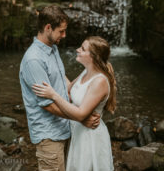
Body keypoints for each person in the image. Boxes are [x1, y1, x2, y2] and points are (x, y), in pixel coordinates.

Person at [19, 6, 100, 171]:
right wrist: (81, 118)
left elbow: (62, 81)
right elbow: (48, 104)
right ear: (48, 27)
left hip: (65, 127)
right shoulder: (33, 60)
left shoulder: (52, 48)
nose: (64, 35)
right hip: (49, 136)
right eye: (61, 31)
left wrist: (91, 78)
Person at [32, 36, 116, 171]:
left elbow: (81, 114)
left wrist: (53, 94)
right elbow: (69, 90)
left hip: (90, 136)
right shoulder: (86, 72)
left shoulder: (99, 81)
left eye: (82, 49)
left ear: (93, 56)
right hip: (79, 132)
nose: (77, 50)